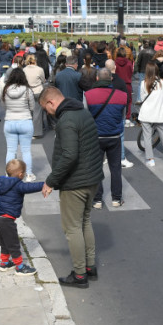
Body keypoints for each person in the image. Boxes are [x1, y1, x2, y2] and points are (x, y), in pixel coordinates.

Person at [39, 87, 104, 288]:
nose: (48, 113)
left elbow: (69, 155)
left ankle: (79, 274)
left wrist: (50, 181)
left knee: (72, 228)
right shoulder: (82, 112)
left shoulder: (66, 121)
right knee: (84, 221)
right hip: (92, 178)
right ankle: (90, 266)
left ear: (51, 102)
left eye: (45, 108)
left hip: (75, 182)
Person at [84, 68, 129, 208]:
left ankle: (97, 199)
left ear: (97, 79)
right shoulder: (122, 95)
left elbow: (85, 116)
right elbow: (123, 116)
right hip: (114, 135)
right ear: (111, 79)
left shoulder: (88, 95)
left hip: (96, 136)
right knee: (115, 168)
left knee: (96, 168)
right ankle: (116, 198)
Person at [0, 159, 43, 275]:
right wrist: (45, 184)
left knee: (4, 243)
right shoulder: (18, 185)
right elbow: (30, 187)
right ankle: (20, 267)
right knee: (13, 244)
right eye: (24, 173)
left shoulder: (1, 182)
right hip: (7, 221)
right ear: (21, 174)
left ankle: (4, 263)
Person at [137, 62, 163, 167]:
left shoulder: (143, 83)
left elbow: (141, 98)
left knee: (147, 136)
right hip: (159, 112)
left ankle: (150, 159)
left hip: (146, 113)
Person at [2, 68, 36, 180]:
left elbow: (5, 106)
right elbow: (32, 107)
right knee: (26, 150)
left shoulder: (6, 90)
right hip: (25, 120)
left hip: (10, 121)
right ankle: (29, 174)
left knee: (11, 150)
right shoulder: (27, 90)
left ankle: (9, 174)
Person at [24, 55, 48, 138]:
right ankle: (37, 132)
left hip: (28, 91)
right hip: (38, 90)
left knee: (30, 111)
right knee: (38, 112)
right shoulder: (39, 69)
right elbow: (43, 80)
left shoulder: (24, 70)